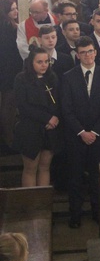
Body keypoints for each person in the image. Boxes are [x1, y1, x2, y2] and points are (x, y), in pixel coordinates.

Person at [61, 37, 100, 228]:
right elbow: (66, 109)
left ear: (96, 52)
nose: (87, 55)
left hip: (98, 136)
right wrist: (82, 132)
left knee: (96, 178)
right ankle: (75, 215)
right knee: (75, 177)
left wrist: (95, 132)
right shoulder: (68, 77)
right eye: (83, 52)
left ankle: (97, 213)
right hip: (76, 136)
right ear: (77, 55)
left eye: (90, 51)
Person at [13, 46, 60, 188]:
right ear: (31, 63)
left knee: (45, 167)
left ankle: (43, 206)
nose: (44, 65)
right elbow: (23, 106)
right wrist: (47, 119)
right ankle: (31, 206)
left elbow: (58, 100)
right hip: (30, 129)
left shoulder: (52, 77)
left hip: (50, 129)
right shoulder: (21, 79)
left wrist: (55, 117)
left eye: (46, 61)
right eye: (39, 62)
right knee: (30, 169)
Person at [0, 0, 22, 150]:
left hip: (5, 70)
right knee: (9, 107)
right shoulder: (11, 28)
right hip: (10, 71)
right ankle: (8, 139)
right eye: (13, 9)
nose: (16, 12)